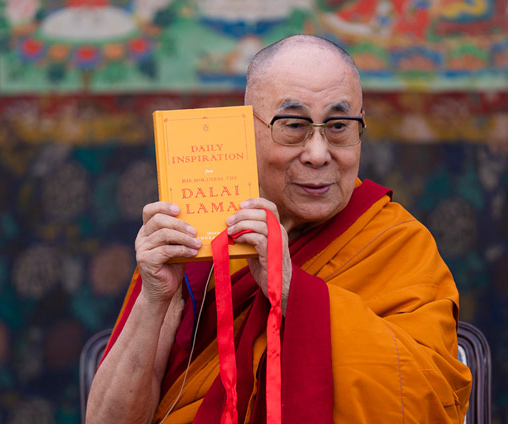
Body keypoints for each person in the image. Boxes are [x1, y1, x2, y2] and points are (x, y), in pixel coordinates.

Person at [86, 34, 472, 423]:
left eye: (339, 126)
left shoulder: (394, 242)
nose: (319, 154)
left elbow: (431, 404)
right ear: (246, 129)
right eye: (292, 126)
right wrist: (154, 300)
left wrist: (290, 290)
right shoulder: (196, 236)